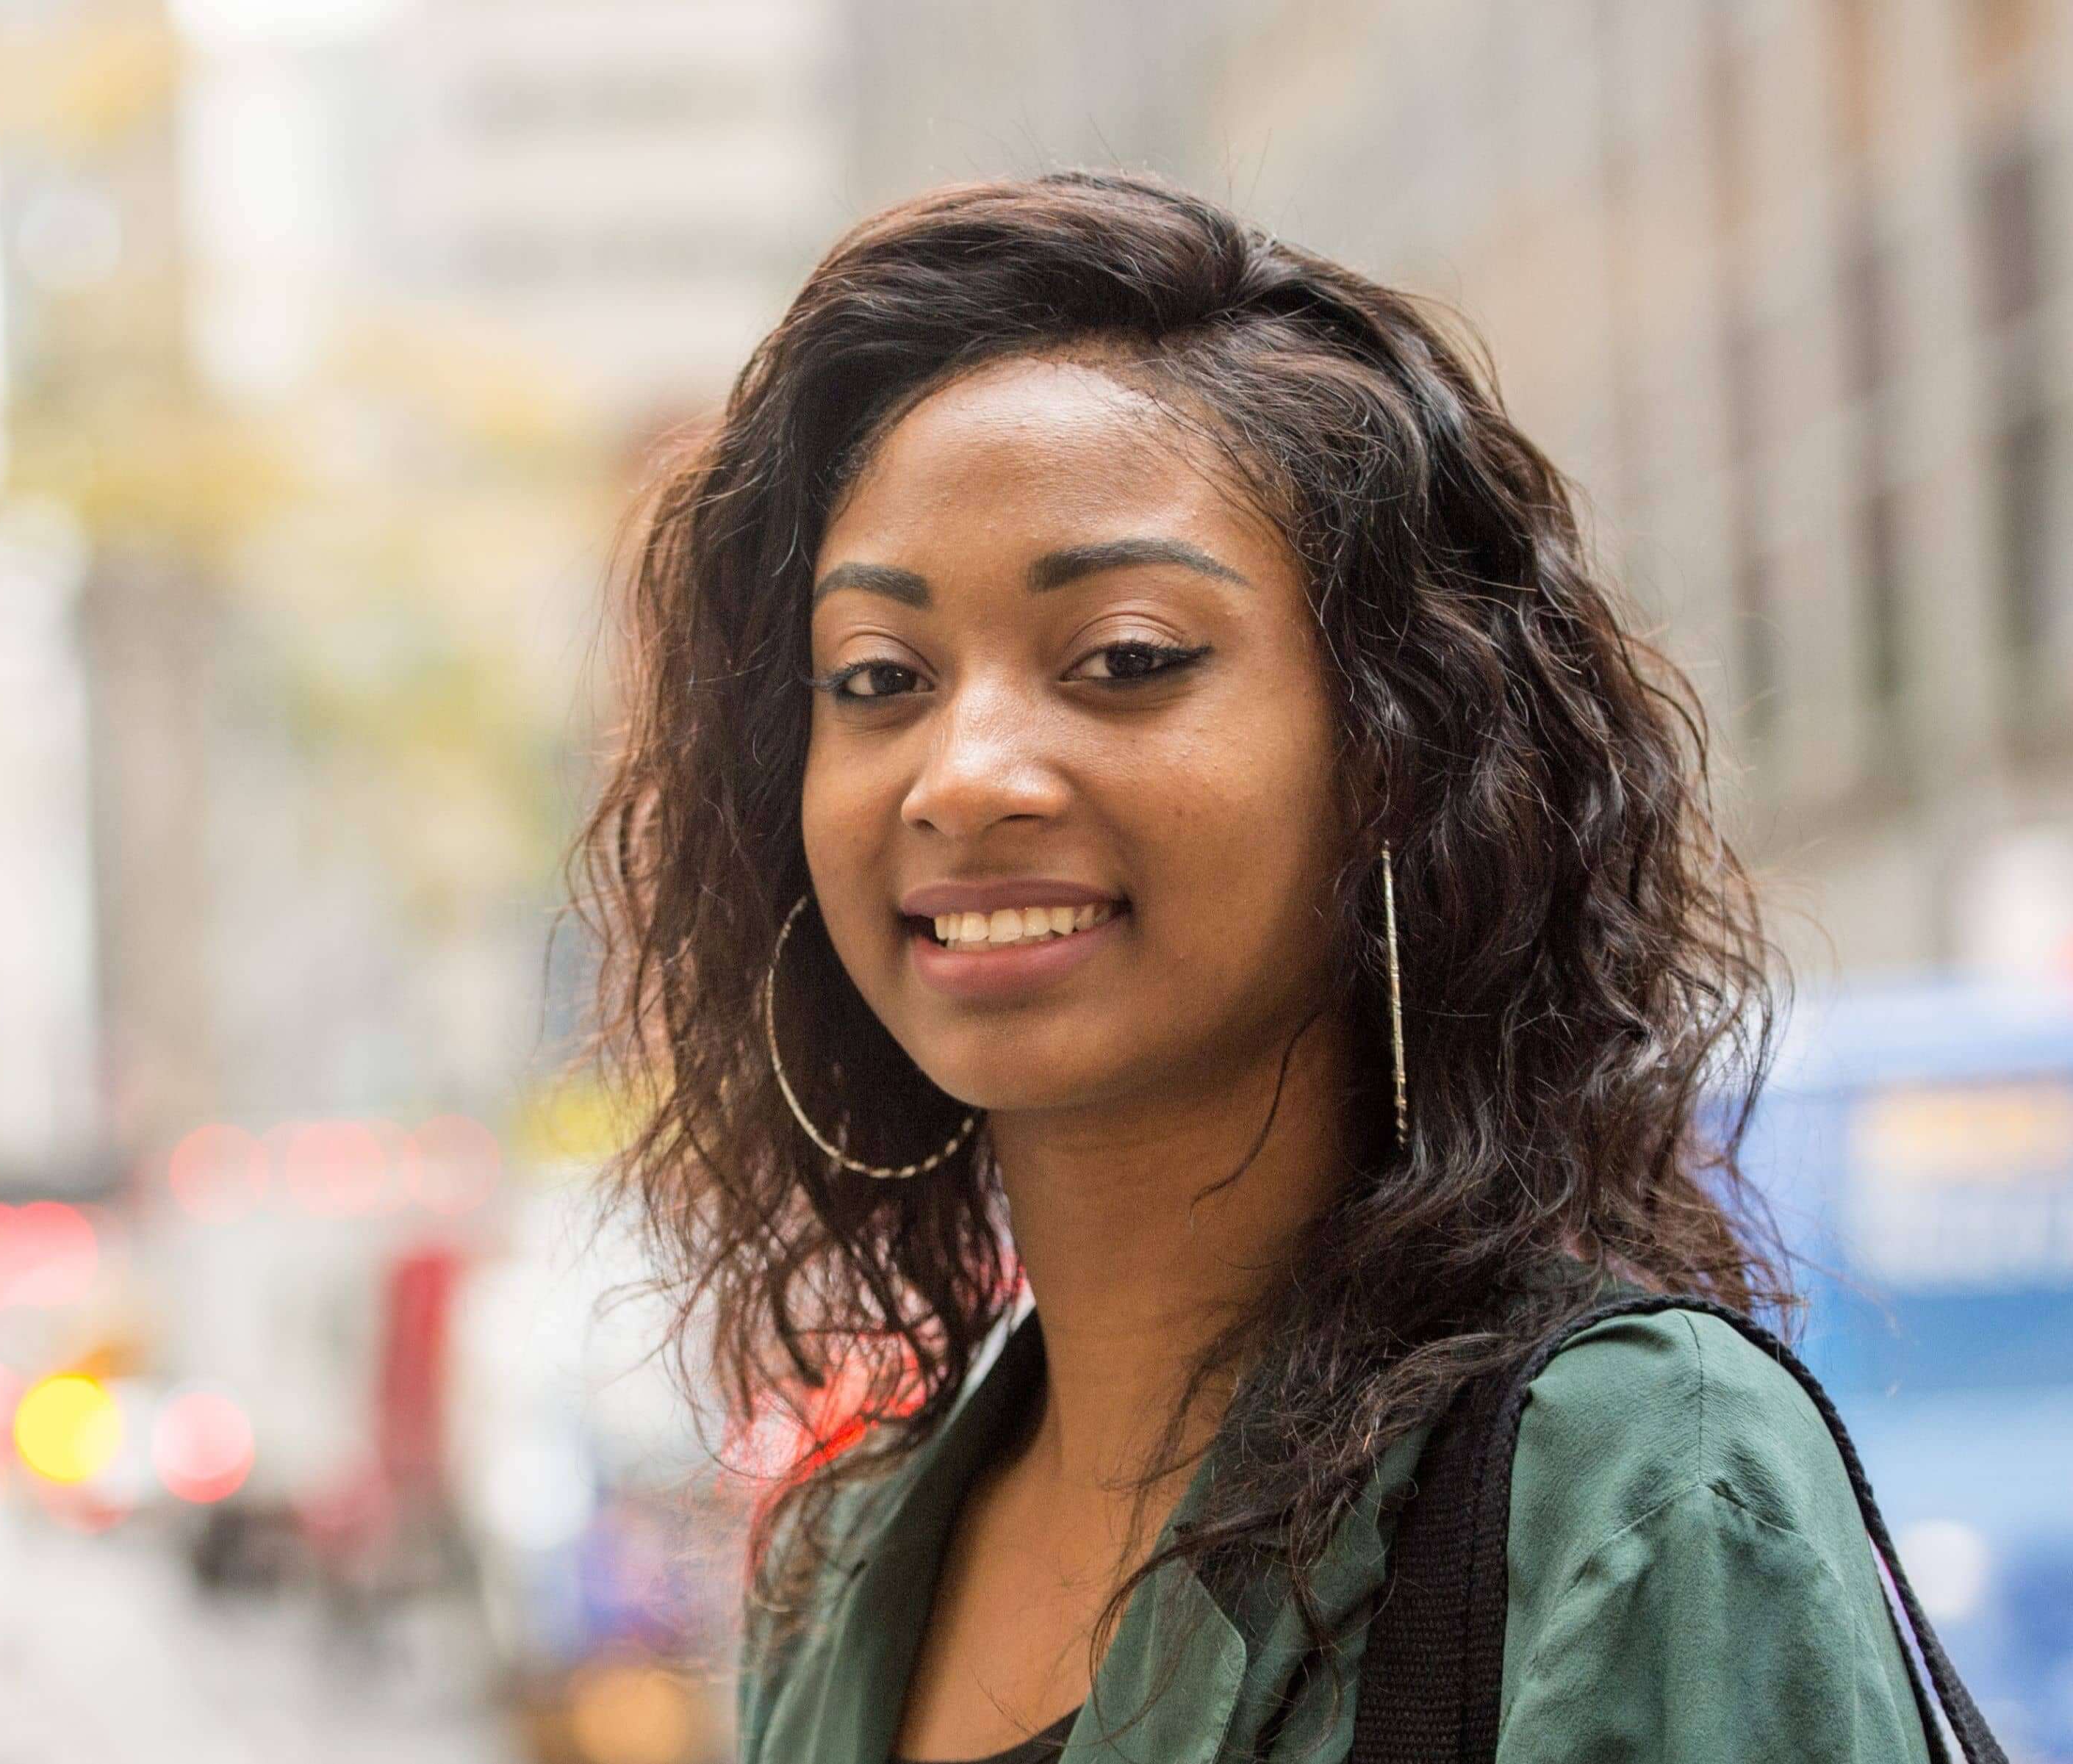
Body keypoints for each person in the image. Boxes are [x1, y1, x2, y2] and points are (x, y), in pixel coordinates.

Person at [564, 171, 1936, 1763]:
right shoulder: (843, 1560)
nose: (962, 771)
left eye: (1127, 660)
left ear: (1398, 757)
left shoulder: (1628, 1486)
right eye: (878, 677)